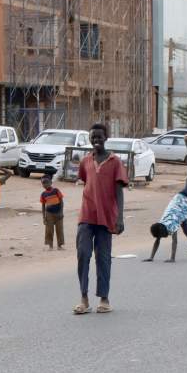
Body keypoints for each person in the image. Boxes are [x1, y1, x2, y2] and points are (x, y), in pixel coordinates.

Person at [74, 123, 127, 315]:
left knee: (103, 258)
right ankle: (84, 298)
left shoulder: (115, 161)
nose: (96, 140)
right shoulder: (86, 161)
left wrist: (120, 217)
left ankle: (104, 299)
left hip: (107, 218)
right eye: (93, 137)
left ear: (106, 137)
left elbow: (119, 192)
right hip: (87, 215)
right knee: (83, 254)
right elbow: (86, 181)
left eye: (99, 137)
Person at [143, 179, 187, 263]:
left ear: (162, 232)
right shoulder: (160, 226)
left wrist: (172, 258)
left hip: (181, 207)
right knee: (185, 231)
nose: (160, 237)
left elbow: (175, 241)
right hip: (175, 205)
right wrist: (151, 257)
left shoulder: (171, 225)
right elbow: (157, 240)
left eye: (160, 236)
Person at [39, 174, 65, 251]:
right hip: (49, 214)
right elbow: (43, 206)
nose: (45, 184)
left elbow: (61, 202)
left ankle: (60, 246)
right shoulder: (43, 194)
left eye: (46, 182)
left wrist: (61, 212)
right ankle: (50, 245)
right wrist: (44, 217)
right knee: (49, 230)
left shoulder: (56, 191)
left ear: (51, 182)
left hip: (58, 213)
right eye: (43, 183)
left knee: (59, 229)